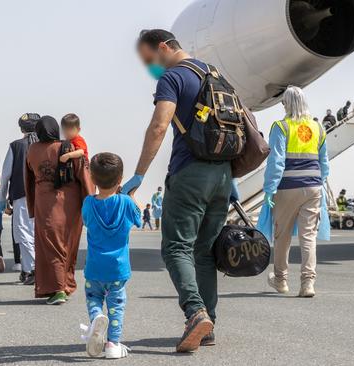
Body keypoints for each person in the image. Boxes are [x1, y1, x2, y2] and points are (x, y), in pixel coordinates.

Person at [124, 29, 237, 353]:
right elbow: (241, 123)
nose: (151, 69)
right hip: (222, 174)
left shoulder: (173, 78)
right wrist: (232, 179)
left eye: (150, 60)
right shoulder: (214, 74)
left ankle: (195, 313)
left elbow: (160, 125)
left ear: (163, 47)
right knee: (204, 251)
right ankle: (209, 324)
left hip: (190, 173)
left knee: (176, 248)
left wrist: (139, 174)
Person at [260, 86, 329, 298]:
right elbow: (324, 163)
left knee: (282, 236)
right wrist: (319, 181)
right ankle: (308, 283)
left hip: (287, 188)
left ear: (287, 104)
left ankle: (280, 280)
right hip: (313, 187)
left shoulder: (281, 127)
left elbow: (276, 162)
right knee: (308, 236)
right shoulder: (318, 128)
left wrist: (270, 189)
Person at [25, 116, 94, 305]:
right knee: (67, 246)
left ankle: (57, 289)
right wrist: (90, 204)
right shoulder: (69, 147)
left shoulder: (32, 150)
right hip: (71, 206)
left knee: (50, 246)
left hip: (45, 205)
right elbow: (84, 175)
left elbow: (28, 181)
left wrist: (31, 207)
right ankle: (65, 285)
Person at [80, 153, 141, 359]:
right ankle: (113, 344)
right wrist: (131, 197)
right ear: (120, 179)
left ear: (93, 179)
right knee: (116, 306)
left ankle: (97, 317)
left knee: (93, 299)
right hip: (118, 269)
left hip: (94, 267)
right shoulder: (126, 203)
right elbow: (138, 220)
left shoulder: (88, 203)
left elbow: (87, 222)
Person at [0, 113, 39, 284]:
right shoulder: (47, 145)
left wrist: (2, 198)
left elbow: (5, 175)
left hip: (22, 197)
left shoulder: (15, 146)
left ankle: (31, 270)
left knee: (23, 233)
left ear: (22, 128)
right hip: (44, 198)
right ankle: (26, 269)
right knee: (37, 234)